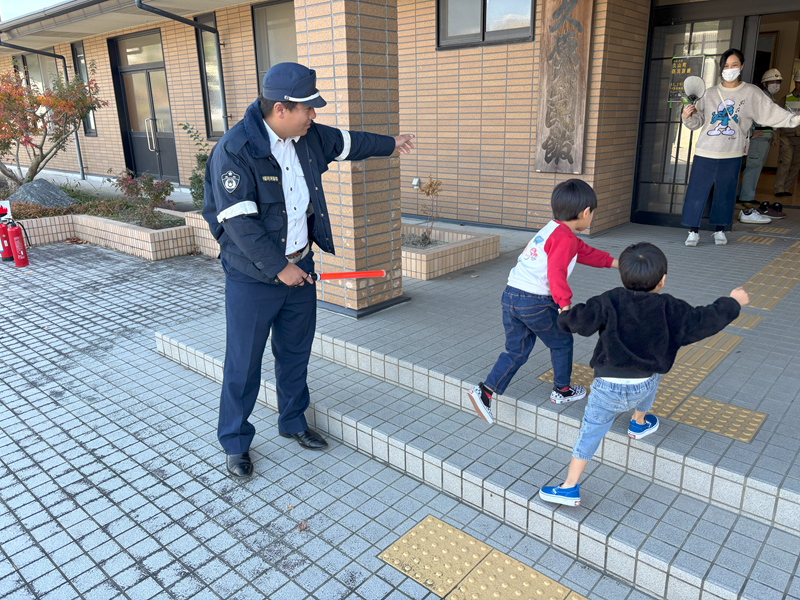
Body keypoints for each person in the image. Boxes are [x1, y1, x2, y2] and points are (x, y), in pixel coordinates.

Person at [203, 62, 415, 478]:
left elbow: (349, 142)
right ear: (281, 109)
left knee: (295, 351)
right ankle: (235, 441)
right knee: (243, 363)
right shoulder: (235, 150)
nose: (314, 115)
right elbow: (238, 224)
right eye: (308, 108)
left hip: (302, 267)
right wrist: (280, 268)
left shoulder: (307, 137)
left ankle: (293, 421)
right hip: (254, 277)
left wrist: (391, 144)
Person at [538, 242, 748, 506]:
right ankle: (639, 422)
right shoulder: (670, 307)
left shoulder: (610, 299)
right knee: (654, 372)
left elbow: (580, 321)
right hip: (643, 385)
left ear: (623, 277)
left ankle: (570, 486)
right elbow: (702, 320)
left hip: (607, 388)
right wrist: (732, 303)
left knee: (591, 431)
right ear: (662, 281)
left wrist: (565, 315)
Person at [467, 180, 619, 425]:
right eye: (593, 213)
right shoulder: (564, 238)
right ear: (585, 213)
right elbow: (556, 273)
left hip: (512, 295)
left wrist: (617, 263)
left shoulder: (553, 230)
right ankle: (562, 390)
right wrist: (564, 304)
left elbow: (584, 252)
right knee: (561, 342)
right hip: (535, 300)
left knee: (516, 350)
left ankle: (485, 391)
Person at [680, 49, 800, 247]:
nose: (730, 69)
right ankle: (693, 231)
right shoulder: (708, 94)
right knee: (697, 192)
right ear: (721, 69)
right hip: (705, 151)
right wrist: (687, 116)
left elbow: (770, 113)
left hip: (732, 152)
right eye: (726, 66)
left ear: (742, 66)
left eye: (734, 65)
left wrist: (794, 119)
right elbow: (697, 121)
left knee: (726, 193)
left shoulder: (751, 93)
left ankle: (720, 230)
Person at [738, 69, 782, 211]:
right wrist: (750, 134)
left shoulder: (768, 97)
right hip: (758, 138)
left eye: (778, 82)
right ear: (765, 83)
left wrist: (774, 136)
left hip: (764, 138)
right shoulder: (759, 97)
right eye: (773, 82)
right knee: (753, 167)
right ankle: (746, 197)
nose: (776, 85)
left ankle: (747, 195)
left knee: (756, 167)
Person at [774, 69, 800, 198]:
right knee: (785, 162)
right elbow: (778, 118)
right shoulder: (786, 99)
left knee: (796, 164)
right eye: (799, 82)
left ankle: (786, 187)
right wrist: (775, 136)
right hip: (786, 136)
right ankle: (779, 188)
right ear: (795, 82)